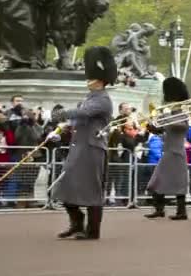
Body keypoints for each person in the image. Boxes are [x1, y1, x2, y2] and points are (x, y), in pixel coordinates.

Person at [51, 46, 116, 240]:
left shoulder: (103, 100)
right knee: (65, 187)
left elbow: (84, 113)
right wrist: (66, 126)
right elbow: (80, 119)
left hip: (92, 149)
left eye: (90, 78)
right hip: (78, 148)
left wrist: (62, 113)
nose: (87, 81)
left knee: (91, 191)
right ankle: (77, 224)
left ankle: (92, 230)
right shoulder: (89, 97)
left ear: (100, 80)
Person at [145, 77, 190, 221]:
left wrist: (165, 120)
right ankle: (160, 209)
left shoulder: (181, 111)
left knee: (178, 183)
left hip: (176, 152)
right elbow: (167, 131)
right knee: (157, 180)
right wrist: (154, 129)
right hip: (169, 151)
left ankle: (181, 212)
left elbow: (182, 126)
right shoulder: (170, 113)